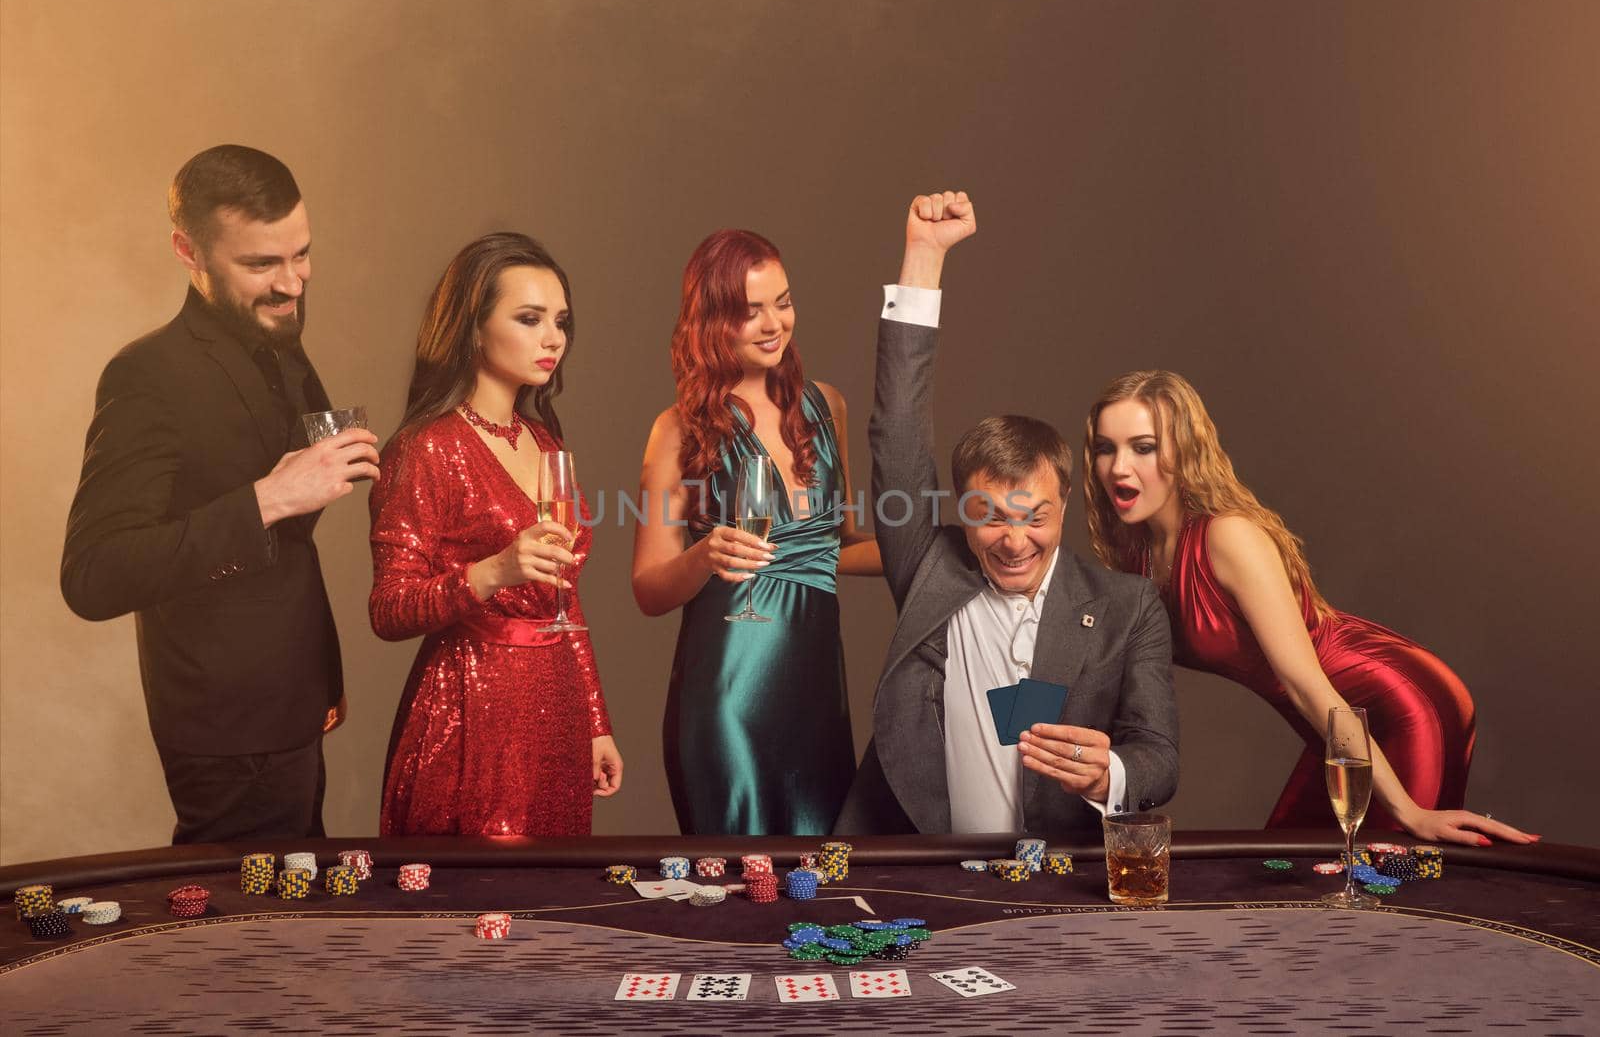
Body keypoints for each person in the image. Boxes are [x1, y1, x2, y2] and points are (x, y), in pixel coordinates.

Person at [834, 191, 1179, 836]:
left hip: (1056, 891)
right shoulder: (928, 565)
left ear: (1067, 504)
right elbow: (899, 431)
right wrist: (924, 255)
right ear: (961, 511)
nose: (1015, 540)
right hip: (924, 879)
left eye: (1036, 517)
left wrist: (1113, 776)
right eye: (990, 516)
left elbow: (1158, 757)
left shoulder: (1127, 607)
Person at [61, 145, 378, 844]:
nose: (293, 283)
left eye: (301, 254)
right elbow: (92, 574)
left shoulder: (275, 330)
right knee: (245, 936)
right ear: (188, 251)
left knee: (287, 927)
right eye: (262, 264)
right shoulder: (146, 375)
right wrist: (265, 498)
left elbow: (286, 465)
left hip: (295, 703)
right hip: (227, 731)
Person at [1085, 370, 1537, 845]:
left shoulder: (1229, 536)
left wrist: (1410, 810)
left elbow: (1304, 683)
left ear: (1184, 450)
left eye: (1143, 447)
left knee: (1380, 882)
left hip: (1395, 704)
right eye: (1105, 448)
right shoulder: (1135, 551)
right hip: (1333, 724)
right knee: (1298, 877)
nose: (1119, 467)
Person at [369, 232, 622, 836]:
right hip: (469, 711)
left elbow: (566, 598)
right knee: (470, 907)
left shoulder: (546, 444)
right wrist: (491, 573)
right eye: (530, 319)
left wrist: (594, 720)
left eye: (560, 321)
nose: (553, 338)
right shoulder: (425, 447)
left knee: (552, 907)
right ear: (472, 328)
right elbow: (388, 610)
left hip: (556, 710)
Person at [632, 228, 880, 834]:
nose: (774, 324)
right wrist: (704, 555)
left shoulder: (826, 407)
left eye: (784, 302)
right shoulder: (678, 430)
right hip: (729, 691)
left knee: (818, 878)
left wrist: (951, 546)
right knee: (738, 886)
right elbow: (648, 590)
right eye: (750, 312)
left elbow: (834, 548)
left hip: (818, 690)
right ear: (712, 321)